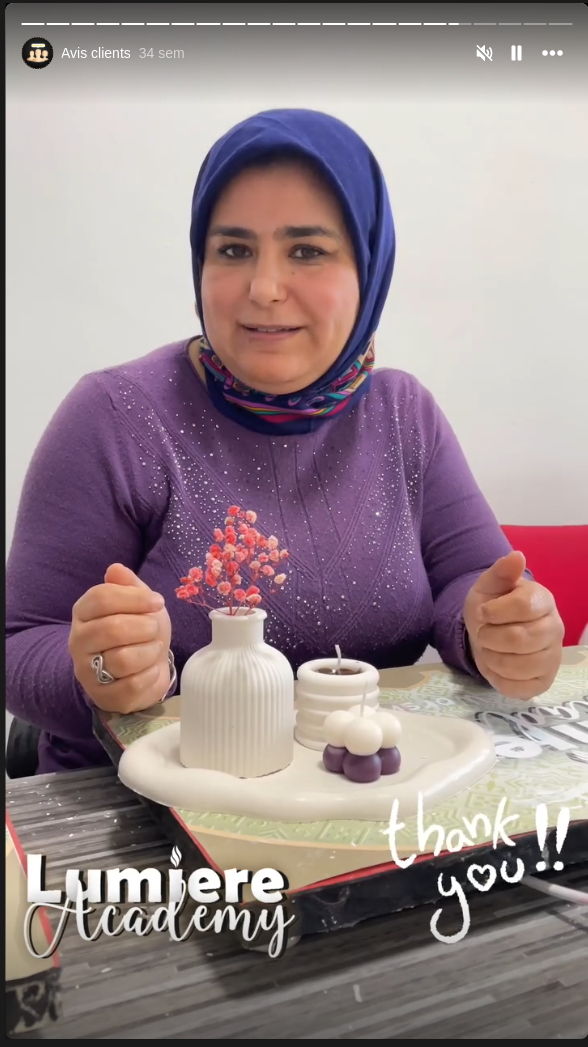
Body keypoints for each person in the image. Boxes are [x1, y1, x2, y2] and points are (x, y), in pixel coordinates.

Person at [6, 109, 564, 776]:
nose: (264, 289)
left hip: (360, 797)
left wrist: (498, 633)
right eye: (233, 250)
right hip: (137, 806)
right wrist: (99, 671)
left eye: (307, 251)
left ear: (368, 269)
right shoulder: (117, 418)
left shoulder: (403, 414)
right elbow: (21, 640)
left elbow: (473, 583)